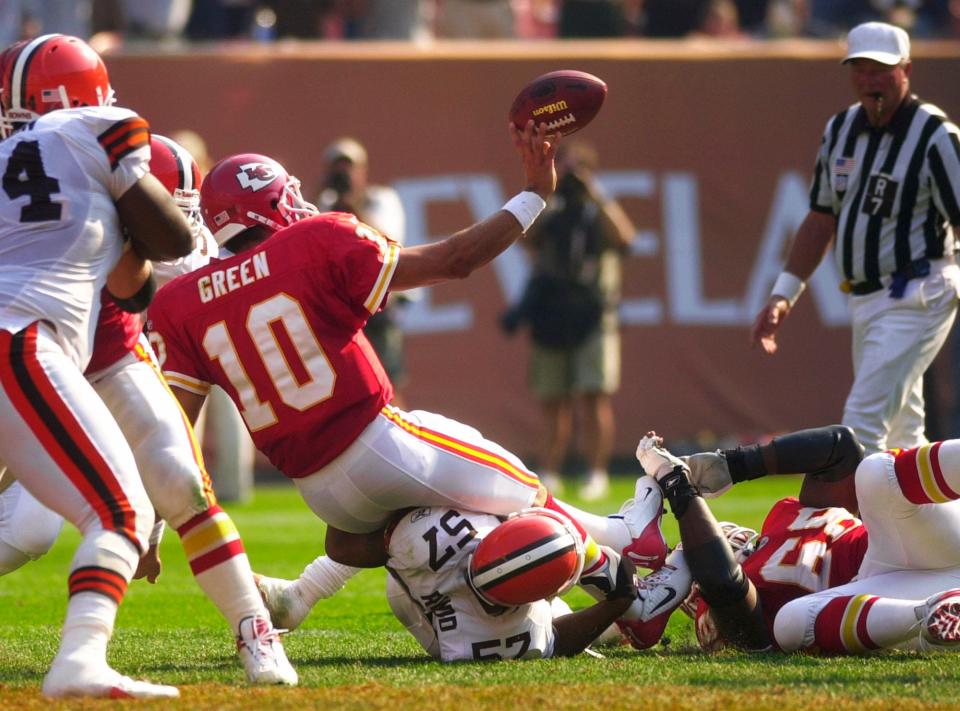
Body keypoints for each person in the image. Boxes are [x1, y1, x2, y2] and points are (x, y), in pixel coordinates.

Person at [148, 125, 669, 622]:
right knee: (527, 493)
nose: (299, 204)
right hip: (379, 444)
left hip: (317, 492)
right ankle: (629, 567)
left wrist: (151, 531)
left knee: (454, 524)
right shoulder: (317, 241)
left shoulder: (181, 302)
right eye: (287, 195)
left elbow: (172, 432)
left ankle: (306, 594)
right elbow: (456, 259)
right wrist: (534, 193)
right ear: (263, 204)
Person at [0, 34, 193, 698]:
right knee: (117, 512)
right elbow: (173, 241)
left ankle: (82, 659)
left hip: (19, 334)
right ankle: (78, 659)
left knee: (113, 511)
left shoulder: (6, 153)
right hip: (24, 338)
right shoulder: (96, 124)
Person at [750, 22, 960, 456]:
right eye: (859, 69)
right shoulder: (841, 129)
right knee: (904, 436)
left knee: (861, 424)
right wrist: (783, 294)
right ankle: (938, 523)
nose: (869, 80)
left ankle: (848, 524)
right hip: (866, 297)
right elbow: (821, 217)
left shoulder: (936, 136)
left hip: (920, 288)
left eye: (880, 69)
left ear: (906, 70)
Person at [254, 481, 690, 661]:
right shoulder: (481, 631)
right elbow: (559, 640)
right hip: (421, 593)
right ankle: (634, 598)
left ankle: (301, 595)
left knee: (518, 494)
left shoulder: (430, 536)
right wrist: (612, 604)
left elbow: (345, 542)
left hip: (425, 589)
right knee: (522, 492)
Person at [635, 426, 960, 654]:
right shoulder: (726, 601)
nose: (731, 536)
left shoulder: (783, 519)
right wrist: (678, 487)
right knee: (792, 624)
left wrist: (732, 465)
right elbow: (723, 583)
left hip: (907, 544)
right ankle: (930, 614)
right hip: (895, 594)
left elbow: (840, 448)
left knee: (875, 472)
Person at [508, 141, 635, 499]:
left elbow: (625, 237)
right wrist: (547, 194)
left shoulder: (597, 208)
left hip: (594, 314)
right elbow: (525, 238)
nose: (569, 174)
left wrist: (591, 191)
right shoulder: (551, 210)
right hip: (552, 314)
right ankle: (550, 470)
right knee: (553, 399)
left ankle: (597, 472)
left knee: (594, 396)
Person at [316, 137, 410, 408]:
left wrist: (350, 204)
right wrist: (319, 196)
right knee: (347, 392)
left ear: (363, 170)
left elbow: (386, 240)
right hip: (339, 310)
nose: (344, 174)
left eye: (349, 167)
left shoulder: (381, 199)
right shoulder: (322, 203)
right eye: (337, 168)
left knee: (390, 388)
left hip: (378, 309)